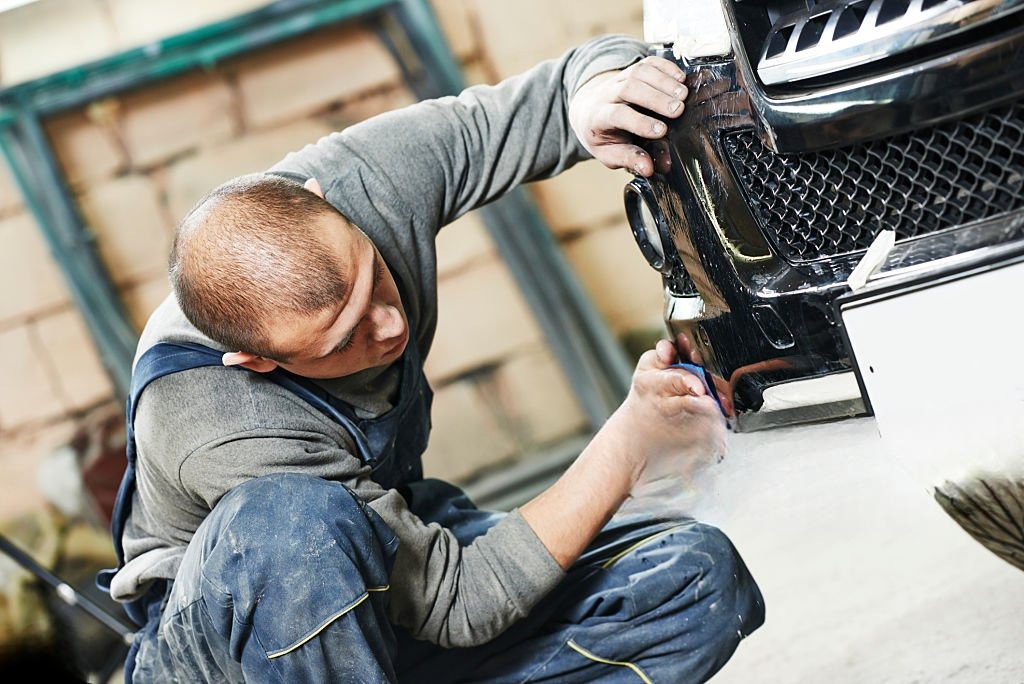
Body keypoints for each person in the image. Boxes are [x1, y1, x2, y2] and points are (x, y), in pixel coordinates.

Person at [99, 33, 764, 682]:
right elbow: (460, 602)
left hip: (382, 563)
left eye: (373, 281)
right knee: (294, 524)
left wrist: (599, 98)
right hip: (239, 648)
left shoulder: (362, 181)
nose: (389, 327)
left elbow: (566, 86)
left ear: (328, 204)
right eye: (343, 338)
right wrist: (630, 438)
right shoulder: (215, 423)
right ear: (258, 363)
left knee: (693, 580)